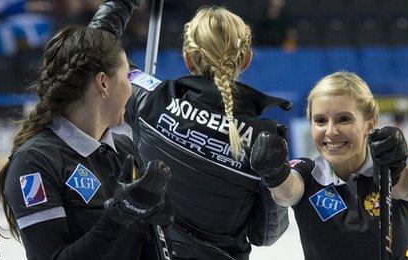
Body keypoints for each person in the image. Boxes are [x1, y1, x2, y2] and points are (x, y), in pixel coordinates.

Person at [89, 3, 293, 259]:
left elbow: (94, 48)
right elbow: (265, 235)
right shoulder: (266, 139)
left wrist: (123, 3)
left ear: (186, 57)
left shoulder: (153, 99)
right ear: (247, 59)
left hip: (147, 250)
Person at [0, 25, 173, 259]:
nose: (132, 89)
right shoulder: (34, 162)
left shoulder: (123, 148)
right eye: (127, 76)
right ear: (103, 83)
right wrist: (119, 215)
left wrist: (159, 209)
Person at [250, 71, 408, 259]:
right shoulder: (306, 173)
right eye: (320, 121)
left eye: (343, 119)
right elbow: (286, 194)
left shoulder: (397, 165)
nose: (331, 131)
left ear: (370, 122)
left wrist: (396, 170)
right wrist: (274, 173)